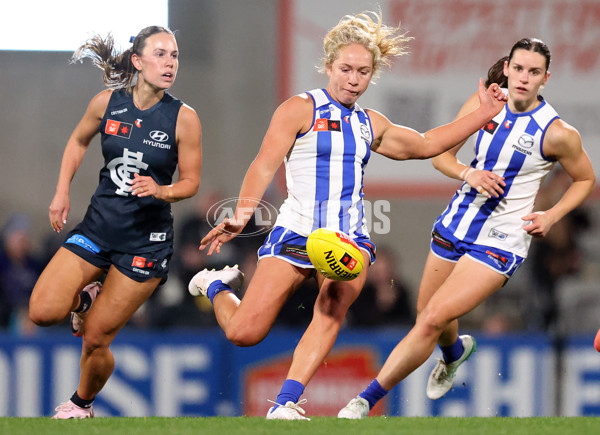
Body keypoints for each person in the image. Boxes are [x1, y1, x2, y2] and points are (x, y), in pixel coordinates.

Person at [188, 11, 506, 420]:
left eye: (363, 72)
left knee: (332, 306)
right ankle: (216, 286)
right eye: (345, 69)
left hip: (347, 238)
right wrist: (243, 212)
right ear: (327, 67)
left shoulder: (369, 123)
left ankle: (285, 402)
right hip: (296, 230)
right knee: (243, 333)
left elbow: (426, 144)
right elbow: (264, 163)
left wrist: (483, 114)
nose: (353, 79)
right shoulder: (300, 108)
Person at [338, 37, 595, 419]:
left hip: (502, 240)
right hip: (456, 223)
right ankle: (455, 352)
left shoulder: (557, 133)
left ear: (546, 78)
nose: (524, 78)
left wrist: (552, 215)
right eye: (519, 68)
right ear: (507, 68)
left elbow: (585, 180)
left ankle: (363, 401)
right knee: (429, 313)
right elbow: (440, 155)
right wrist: (468, 172)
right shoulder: (484, 104)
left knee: (432, 317)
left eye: (534, 72)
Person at [28, 26, 202, 419]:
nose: (170, 63)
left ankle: (81, 404)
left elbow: (191, 182)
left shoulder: (184, 118)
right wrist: (61, 191)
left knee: (95, 339)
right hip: (97, 229)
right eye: (160, 54)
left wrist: (161, 190)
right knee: (42, 311)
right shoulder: (107, 103)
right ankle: (83, 298)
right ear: (138, 62)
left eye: (174, 55)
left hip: (145, 244)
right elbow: (77, 141)